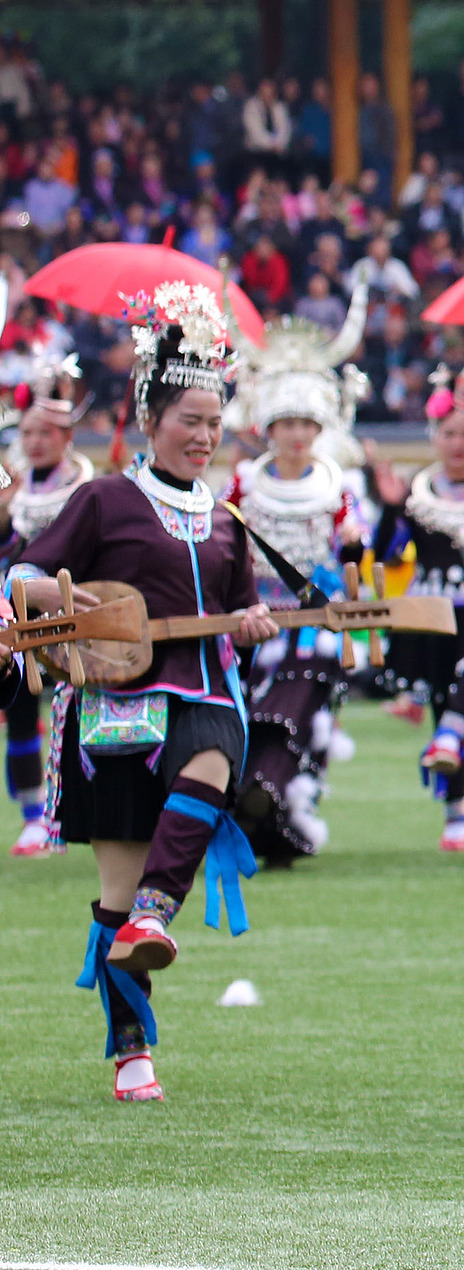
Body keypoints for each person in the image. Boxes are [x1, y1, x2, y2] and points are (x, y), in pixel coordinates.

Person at [4, 283, 278, 1102]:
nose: (204, 435)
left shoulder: (229, 521)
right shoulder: (104, 500)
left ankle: (158, 911)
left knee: (212, 763)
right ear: (151, 420)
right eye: (190, 419)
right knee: (110, 896)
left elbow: (235, 613)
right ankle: (132, 1051)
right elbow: (22, 574)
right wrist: (62, 599)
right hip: (114, 704)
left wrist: (252, 622)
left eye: (214, 421)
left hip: (202, 699)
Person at [222, 285, 371, 863]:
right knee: (246, 715)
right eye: (286, 423)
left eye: (306, 424)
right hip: (251, 618)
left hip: (315, 623)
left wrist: (355, 550)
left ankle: (271, 802)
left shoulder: (339, 486)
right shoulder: (241, 483)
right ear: (269, 427)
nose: (296, 435)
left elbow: (357, 558)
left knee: (289, 715)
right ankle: (259, 814)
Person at [370, 352, 464, 852]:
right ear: (435, 436)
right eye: (450, 433)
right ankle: (456, 812)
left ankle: (452, 745)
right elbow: (386, 552)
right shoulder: (415, 491)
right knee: (442, 704)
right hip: (431, 613)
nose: (459, 443)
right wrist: (390, 507)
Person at [0, 338, 94, 856]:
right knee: (17, 706)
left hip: (67, 614)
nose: (34, 442)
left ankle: (67, 809)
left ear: (67, 435)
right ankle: (33, 812)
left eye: (45, 432)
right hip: (11, 614)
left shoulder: (85, 487)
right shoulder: (11, 488)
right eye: (27, 432)